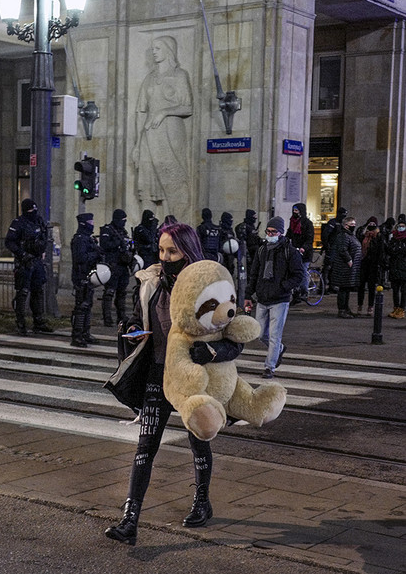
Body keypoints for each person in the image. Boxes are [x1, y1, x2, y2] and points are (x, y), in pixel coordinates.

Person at [104, 223, 243, 546]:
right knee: (145, 448)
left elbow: (236, 339)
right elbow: (141, 318)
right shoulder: (151, 282)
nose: (165, 258)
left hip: (194, 379)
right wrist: (134, 327)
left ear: (188, 250)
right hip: (158, 375)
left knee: (199, 442)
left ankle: (202, 502)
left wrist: (210, 351)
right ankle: (130, 519)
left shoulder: (209, 283)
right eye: (162, 250)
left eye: (173, 251)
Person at [132, 36, 193, 221]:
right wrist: (136, 144)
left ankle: (175, 225)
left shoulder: (179, 75)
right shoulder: (149, 79)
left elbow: (188, 107)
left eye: (158, 48)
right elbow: (141, 111)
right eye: (153, 48)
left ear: (168, 50)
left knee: (172, 181)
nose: (154, 51)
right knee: (147, 185)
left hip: (170, 134)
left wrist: (164, 112)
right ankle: (146, 228)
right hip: (149, 136)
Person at [244, 216, 303, 379]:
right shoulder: (262, 250)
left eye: (273, 231)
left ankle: (269, 367)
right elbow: (254, 273)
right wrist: (248, 294)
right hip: (263, 298)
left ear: (281, 233)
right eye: (268, 231)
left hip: (280, 299)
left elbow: (299, 275)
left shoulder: (289, 251)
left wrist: (283, 287)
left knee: (275, 335)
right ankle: (280, 349)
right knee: (261, 333)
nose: (269, 234)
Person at [4, 199, 53, 336]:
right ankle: (21, 323)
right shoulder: (18, 223)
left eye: (34, 210)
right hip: (24, 262)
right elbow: (9, 242)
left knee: (38, 291)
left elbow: (44, 237)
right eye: (30, 211)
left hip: (37, 260)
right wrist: (22, 254)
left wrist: (42, 250)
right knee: (23, 292)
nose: (33, 213)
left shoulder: (39, 221)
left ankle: (38, 321)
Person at [70, 212, 102, 347]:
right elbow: (81, 258)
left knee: (87, 305)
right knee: (81, 307)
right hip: (80, 276)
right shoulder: (79, 239)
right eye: (90, 222)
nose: (92, 224)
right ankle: (77, 336)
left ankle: (85, 333)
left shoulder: (87, 238)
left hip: (88, 275)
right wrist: (96, 254)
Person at [99, 209, 133, 327]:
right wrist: (118, 243)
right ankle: (107, 318)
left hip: (123, 266)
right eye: (122, 220)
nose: (124, 222)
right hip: (112, 265)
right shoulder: (108, 230)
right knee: (109, 292)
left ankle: (121, 316)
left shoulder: (122, 231)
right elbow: (104, 245)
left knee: (122, 293)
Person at [330, 216, 361, 319]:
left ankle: (346, 308)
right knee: (343, 289)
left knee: (347, 289)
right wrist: (349, 260)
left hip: (350, 267)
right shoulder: (343, 235)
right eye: (352, 225)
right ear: (346, 226)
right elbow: (342, 249)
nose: (354, 226)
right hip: (344, 267)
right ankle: (342, 310)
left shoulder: (350, 235)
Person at [285, 202, 315, 300]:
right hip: (295, 251)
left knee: (302, 271)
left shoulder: (307, 223)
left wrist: (304, 248)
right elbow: (289, 234)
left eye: (297, 210)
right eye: (294, 210)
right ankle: (296, 293)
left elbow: (309, 239)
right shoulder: (292, 222)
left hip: (305, 252)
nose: (295, 212)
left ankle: (304, 291)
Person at [356, 217, 384, 316]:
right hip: (363, 263)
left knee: (372, 287)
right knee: (361, 286)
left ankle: (370, 307)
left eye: (373, 224)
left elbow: (381, 250)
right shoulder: (363, 233)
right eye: (370, 224)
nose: (371, 226)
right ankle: (360, 305)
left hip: (373, 264)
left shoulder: (379, 235)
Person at [321, 206, 348, 292]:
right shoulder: (333, 223)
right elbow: (325, 234)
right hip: (331, 248)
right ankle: (323, 287)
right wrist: (326, 245)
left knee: (335, 268)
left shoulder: (341, 224)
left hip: (338, 249)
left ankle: (332, 285)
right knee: (327, 268)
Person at [385, 217, 406, 318]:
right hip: (394, 267)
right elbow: (389, 250)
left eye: (403, 227)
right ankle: (396, 308)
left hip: (404, 268)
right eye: (399, 226)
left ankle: (402, 309)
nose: (400, 228)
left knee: (404, 290)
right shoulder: (393, 238)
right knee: (395, 290)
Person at [235, 209, 263, 274]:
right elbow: (243, 243)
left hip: (255, 255)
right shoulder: (243, 226)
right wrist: (247, 258)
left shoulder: (252, 226)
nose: (255, 219)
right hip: (248, 255)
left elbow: (256, 239)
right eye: (254, 217)